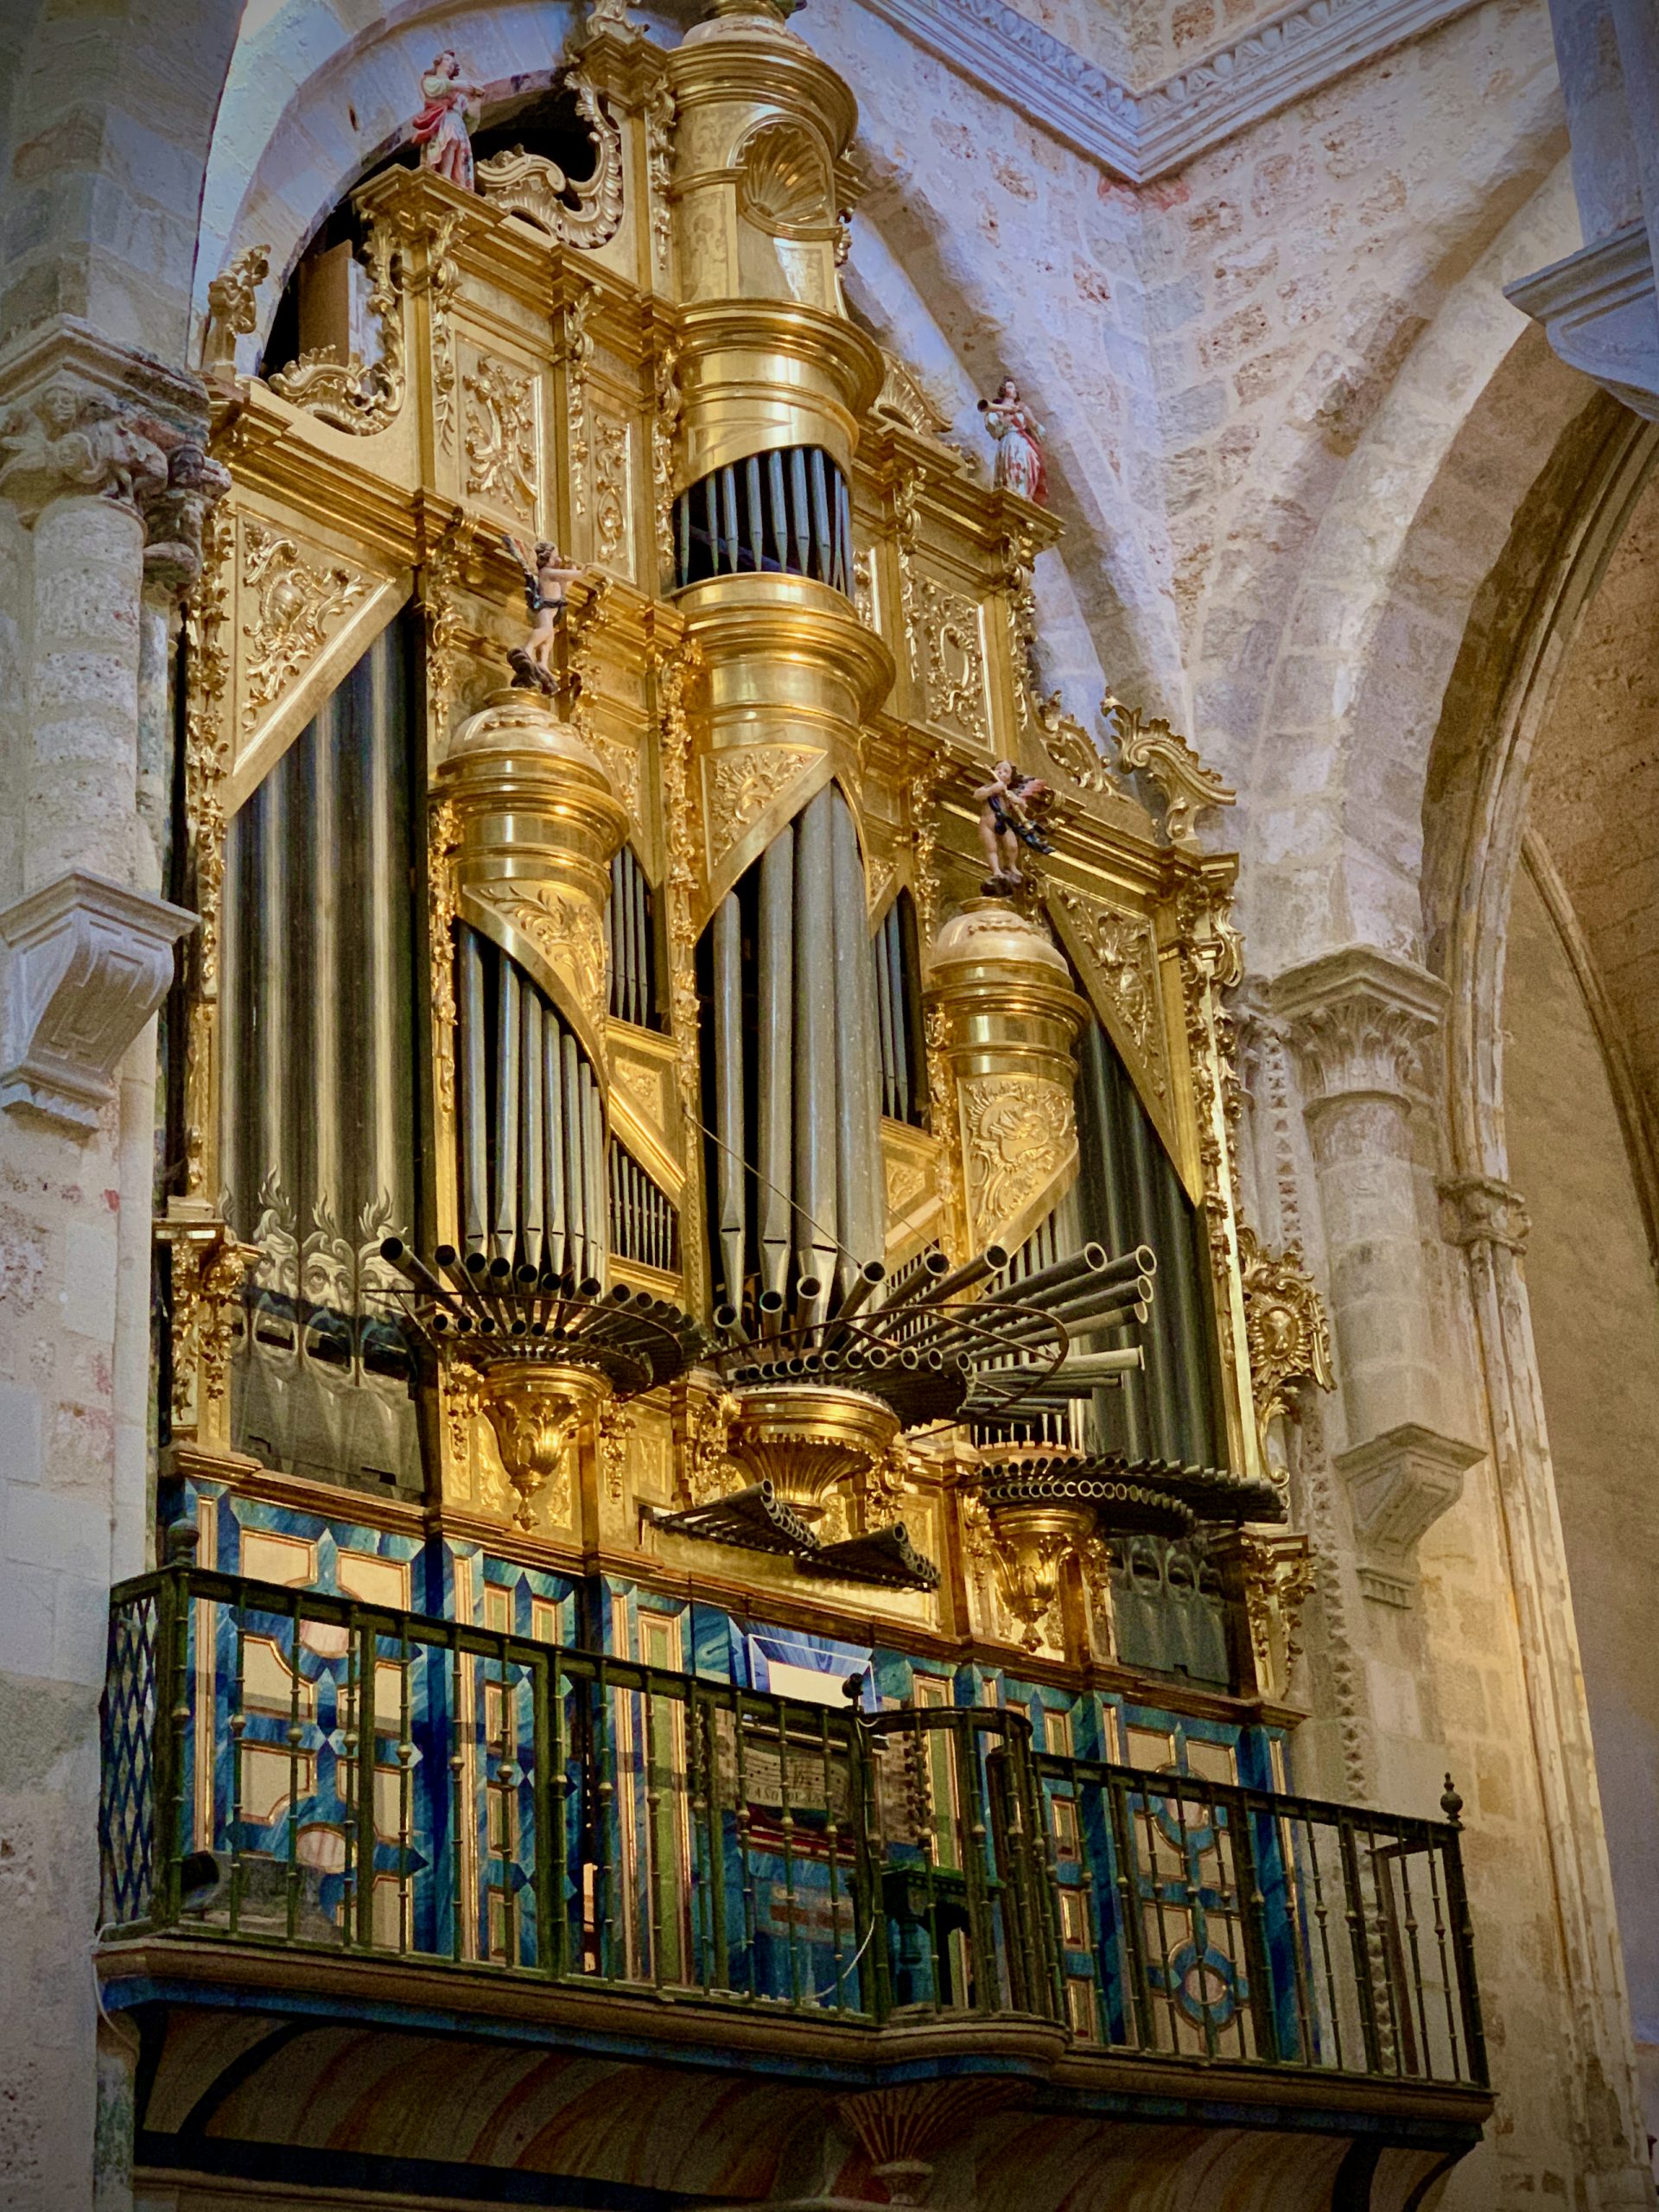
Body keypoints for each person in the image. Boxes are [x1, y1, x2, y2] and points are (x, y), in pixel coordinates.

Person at [504, 534, 586, 692]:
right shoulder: (547, 573)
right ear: (547, 558)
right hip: (544, 609)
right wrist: (581, 573)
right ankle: (528, 648)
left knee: (549, 638)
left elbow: (564, 587)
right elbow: (564, 575)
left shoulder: (554, 577)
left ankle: (542, 662)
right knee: (546, 630)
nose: (559, 560)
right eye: (555, 557)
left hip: (552, 610)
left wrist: (573, 576)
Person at [974, 760, 1055, 892]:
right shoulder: (989, 788)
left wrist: (1017, 801)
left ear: (1010, 779)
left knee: (1012, 846)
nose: (1000, 772)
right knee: (991, 848)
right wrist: (992, 790)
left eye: (1005, 771)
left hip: (1004, 822)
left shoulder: (1009, 794)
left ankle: (1011, 866)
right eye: (998, 769)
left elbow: (1021, 810)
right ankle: (996, 870)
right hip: (987, 823)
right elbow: (977, 795)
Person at [411, 52, 481, 192]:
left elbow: (470, 120)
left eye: (453, 63)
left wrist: (477, 100)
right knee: (450, 140)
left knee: (458, 145)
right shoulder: (430, 80)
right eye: (448, 60)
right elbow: (434, 89)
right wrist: (456, 85)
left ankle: (455, 178)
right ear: (438, 62)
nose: (450, 64)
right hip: (445, 118)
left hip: (457, 122)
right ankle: (445, 174)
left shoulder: (458, 93)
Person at [978, 378, 1047, 505]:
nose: (1013, 390)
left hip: (1022, 440)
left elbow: (1039, 431)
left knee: (1031, 462)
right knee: (1013, 464)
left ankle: (1026, 492)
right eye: (1010, 387)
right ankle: (1014, 490)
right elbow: (996, 431)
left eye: (1014, 387)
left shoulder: (1021, 409)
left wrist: (1027, 415)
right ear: (1003, 390)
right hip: (1010, 440)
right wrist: (1007, 418)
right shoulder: (997, 409)